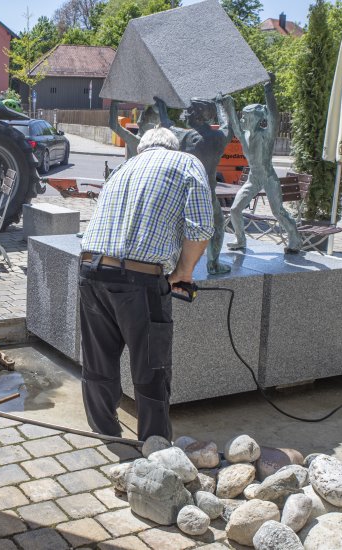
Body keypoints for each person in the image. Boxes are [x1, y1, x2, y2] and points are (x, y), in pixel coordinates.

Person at [78, 126, 215, 441]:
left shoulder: (124, 167)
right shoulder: (185, 162)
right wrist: (183, 271)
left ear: (142, 148)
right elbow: (200, 226)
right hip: (139, 278)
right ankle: (154, 446)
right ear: (174, 146)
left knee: (98, 361)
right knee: (151, 368)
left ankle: (106, 434)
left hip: (90, 270)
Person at [220, 74, 301, 252]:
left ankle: (294, 239)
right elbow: (234, 124)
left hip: (268, 177)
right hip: (253, 178)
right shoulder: (245, 135)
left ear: (256, 119)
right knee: (235, 210)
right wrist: (229, 105)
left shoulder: (266, 135)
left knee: (277, 211)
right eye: (242, 117)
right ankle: (240, 239)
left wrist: (268, 89)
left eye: (246, 117)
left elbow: (274, 117)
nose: (242, 120)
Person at [158, 97, 233, 274]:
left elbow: (166, 123)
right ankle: (213, 264)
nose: (186, 115)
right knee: (217, 225)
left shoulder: (182, 135)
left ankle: (170, 263)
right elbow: (228, 126)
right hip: (206, 193)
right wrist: (221, 105)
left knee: (176, 227)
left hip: (181, 191)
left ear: (198, 115)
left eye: (189, 111)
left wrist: (162, 106)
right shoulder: (217, 138)